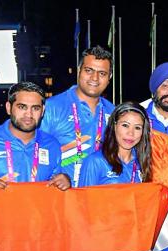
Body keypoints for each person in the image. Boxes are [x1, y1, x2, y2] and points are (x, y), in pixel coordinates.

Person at [40, 46, 115, 187]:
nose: (95, 78)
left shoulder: (114, 113)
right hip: (62, 198)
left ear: (109, 77)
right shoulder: (51, 108)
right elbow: (35, 152)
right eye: (89, 70)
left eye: (102, 73)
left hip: (99, 198)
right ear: (79, 70)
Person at [0, 82, 70, 191]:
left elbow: (55, 188)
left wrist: (65, 181)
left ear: (42, 111)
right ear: (9, 108)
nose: (28, 114)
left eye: (35, 108)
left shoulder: (52, 144)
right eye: (22, 107)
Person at [80, 102, 152, 186]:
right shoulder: (95, 161)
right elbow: (83, 197)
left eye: (137, 128)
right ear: (114, 126)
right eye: (125, 125)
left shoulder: (143, 162)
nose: (131, 133)